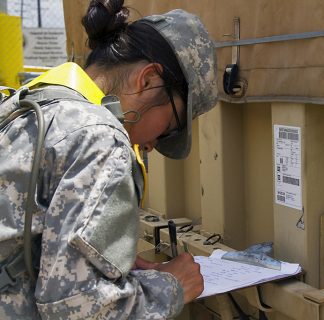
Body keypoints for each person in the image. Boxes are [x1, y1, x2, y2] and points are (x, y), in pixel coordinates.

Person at [0, 0, 217, 318]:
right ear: (148, 80)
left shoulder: (32, 103)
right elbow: (78, 310)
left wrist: (105, 264)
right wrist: (171, 287)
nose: (154, 145)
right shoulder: (100, 140)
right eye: (168, 127)